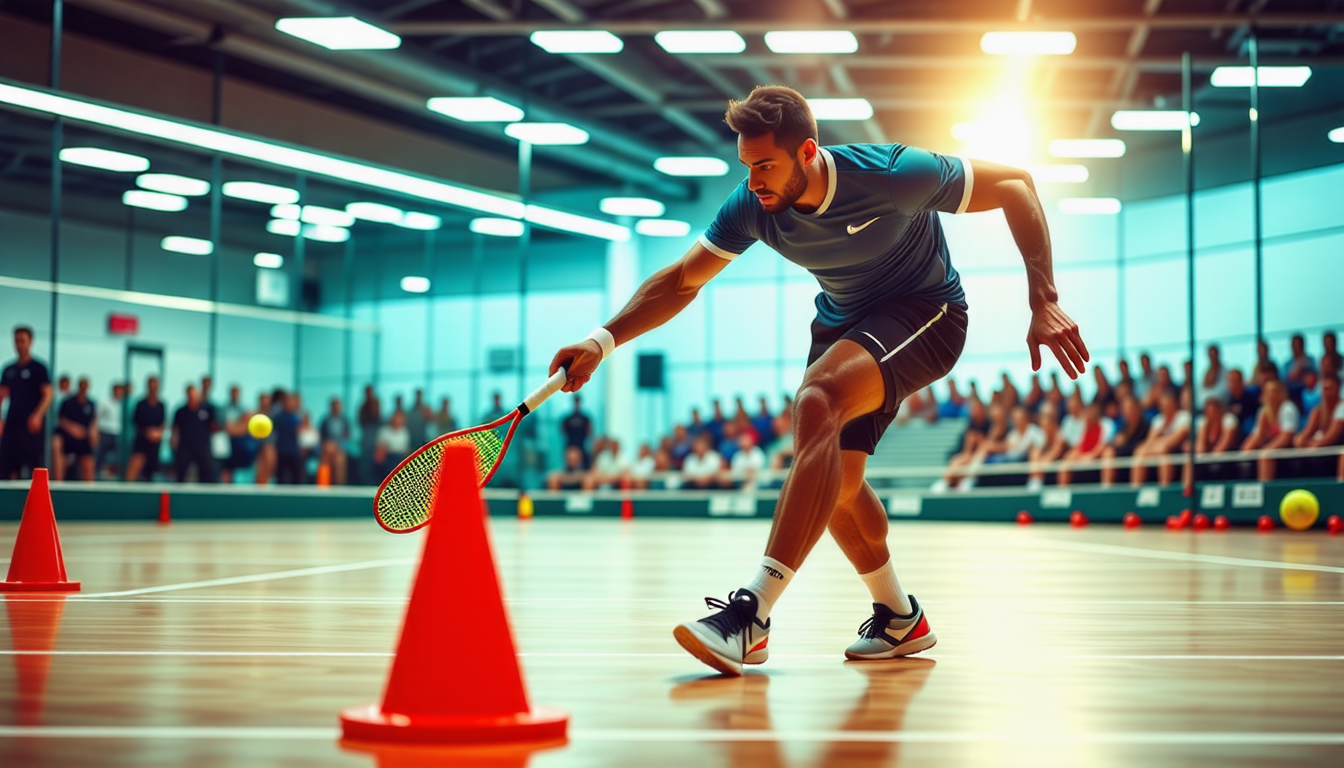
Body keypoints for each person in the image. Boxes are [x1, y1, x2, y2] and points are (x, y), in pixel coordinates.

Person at [545, 85, 1086, 675]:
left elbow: (1014, 185)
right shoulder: (752, 205)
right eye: (747, 167)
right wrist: (602, 341)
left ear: (806, 152)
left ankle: (752, 615)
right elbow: (681, 280)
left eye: (766, 166)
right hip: (842, 326)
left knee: (817, 401)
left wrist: (1045, 301)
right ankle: (901, 617)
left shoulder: (891, 173)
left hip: (926, 314)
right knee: (835, 481)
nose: (753, 181)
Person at [0, 326, 53, 479]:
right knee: (7, 465)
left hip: (31, 426)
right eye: (17, 341)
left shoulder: (39, 368)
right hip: (12, 423)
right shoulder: (8, 369)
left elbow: (48, 395)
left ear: (30, 342)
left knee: (34, 466)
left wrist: (37, 415)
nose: (19, 344)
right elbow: (2, 395)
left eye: (23, 341)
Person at [1241, 379, 1300, 482]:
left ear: (1282, 393)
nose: (1271, 394)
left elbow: (1286, 438)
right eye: (1268, 391)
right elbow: (1257, 436)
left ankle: (1264, 488)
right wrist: (1246, 449)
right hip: (1271, 447)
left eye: (1275, 391)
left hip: (1288, 449)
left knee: (1265, 457)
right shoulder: (1263, 411)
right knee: (1246, 458)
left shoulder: (1287, 408)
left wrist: (1266, 449)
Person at [1131, 389, 1191, 487]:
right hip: (1158, 451)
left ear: (1175, 404)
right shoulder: (1158, 420)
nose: (1165, 408)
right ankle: (1135, 489)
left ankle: (1165, 489)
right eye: (1163, 405)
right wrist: (1158, 442)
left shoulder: (1184, 417)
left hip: (1177, 451)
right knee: (1139, 452)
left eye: (1168, 405)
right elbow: (1149, 442)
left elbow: (1175, 440)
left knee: (1164, 454)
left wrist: (1159, 443)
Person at [1293, 374, 1343, 480]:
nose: (1326, 392)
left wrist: (1312, 445)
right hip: (1320, 453)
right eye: (1324, 389)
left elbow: (1330, 437)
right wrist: (1300, 440)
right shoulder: (1318, 411)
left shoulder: (1342, 408)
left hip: (1335, 453)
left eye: (1329, 388)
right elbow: (1304, 435)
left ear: (1338, 388)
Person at [1184, 396, 1241, 488]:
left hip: (1226, 457)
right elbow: (1201, 449)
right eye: (1208, 411)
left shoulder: (1228, 420)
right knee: (1192, 460)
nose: (1211, 414)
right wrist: (1204, 429)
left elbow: (1225, 444)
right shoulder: (1204, 423)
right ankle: (1188, 489)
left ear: (1219, 410)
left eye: (1213, 411)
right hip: (1210, 457)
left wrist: (1212, 456)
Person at [1056, 403, 1114, 488]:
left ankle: (1107, 487)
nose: (1089, 415)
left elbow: (1102, 446)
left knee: (1109, 453)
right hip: (1083, 455)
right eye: (1087, 412)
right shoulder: (1082, 426)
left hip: (1098, 455)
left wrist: (1089, 456)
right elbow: (1078, 446)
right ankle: (1062, 490)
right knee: (1067, 458)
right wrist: (1080, 457)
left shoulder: (1106, 424)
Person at [52, 376, 98, 482]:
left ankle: (90, 487)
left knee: (88, 459)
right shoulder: (68, 402)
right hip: (68, 436)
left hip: (83, 438)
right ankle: (59, 483)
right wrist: (73, 429)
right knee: (58, 446)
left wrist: (93, 432)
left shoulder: (90, 404)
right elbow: (61, 420)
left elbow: (93, 421)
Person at [171, 384, 217, 483]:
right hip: (185, 448)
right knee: (180, 475)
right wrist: (173, 442)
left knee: (207, 476)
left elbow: (213, 427)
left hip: (202, 447)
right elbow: (175, 430)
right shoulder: (180, 411)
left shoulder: (207, 409)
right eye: (190, 395)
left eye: (194, 395)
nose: (192, 397)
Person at [1100, 396, 1150, 487]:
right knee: (1108, 452)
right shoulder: (1122, 429)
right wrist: (1116, 442)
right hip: (1123, 460)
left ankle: (1135, 489)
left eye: (1131, 408)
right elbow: (1116, 445)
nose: (1129, 412)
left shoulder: (1147, 426)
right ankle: (1106, 489)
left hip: (1141, 461)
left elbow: (1149, 443)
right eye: (1126, 409)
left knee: (1140, 453)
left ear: (1138, 409)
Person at [125, 375, 165, 482]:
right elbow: (136, 421)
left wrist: (158, 433)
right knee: (133, 471)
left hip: (155, 445)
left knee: (151, 474)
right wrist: (147, 432)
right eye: (151, 385)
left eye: (155, 386)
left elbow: (163, 424)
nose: (153, 388)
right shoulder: (141, 404)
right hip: (141, 441)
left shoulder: (161, 405)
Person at [220, 386, 252, 484]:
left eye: (237, 393)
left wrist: (237, 428)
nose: (235, 395)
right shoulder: (224, 409)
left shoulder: (244, 409)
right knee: (226, 468)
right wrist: (239, 426)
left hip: (240, 445)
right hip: (226, 444)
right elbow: (226, 428)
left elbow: (244, 428)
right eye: (233, 393)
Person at [95, 382, 125, 479]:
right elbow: (97, 417)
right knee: (101, 456)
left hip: (117, 434)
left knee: (117, 457)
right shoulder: (105, 402)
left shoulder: (122, 405)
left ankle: (114, 475)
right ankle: (97, 474)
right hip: (105, 432)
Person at [273, 393, 304, 484]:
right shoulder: (278, 417)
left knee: (298, 477)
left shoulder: (297, 417)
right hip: (281, 452)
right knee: (282, 478)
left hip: (295, 452)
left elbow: (302, 433)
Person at [320, 397, 351, 485]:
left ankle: (339, 486)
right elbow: (321, 436)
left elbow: (347, 436)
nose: (336, 407)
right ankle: (323, 484)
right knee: (324, 460)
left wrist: (338, 446)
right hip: (327, 448)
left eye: (338, 405)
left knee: (339, 461)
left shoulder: (344, 420)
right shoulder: (325, 420)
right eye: (335, 405)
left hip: (340, 448)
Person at [374, 410, 411, 478]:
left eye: (400, 418)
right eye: (397, 417)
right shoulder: (384, 431)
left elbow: (405, 448)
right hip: (388, 458)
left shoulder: (404, 432)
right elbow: (380, 449)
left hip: (400, 457)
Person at [357, 385, 381, 484]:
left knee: (374, 464)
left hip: (375, 440)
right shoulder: (362, 407)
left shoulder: (376, 404)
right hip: (366, 440)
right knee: (365, 465)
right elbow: (360, 421)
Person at [561, 396, 593, 466]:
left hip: (581, 446)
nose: (576, 404)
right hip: (570, 446)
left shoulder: (585, 418)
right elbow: (563, 431)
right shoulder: (567, 418)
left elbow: (589, 432)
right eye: (575, 402)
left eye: (577, 402)